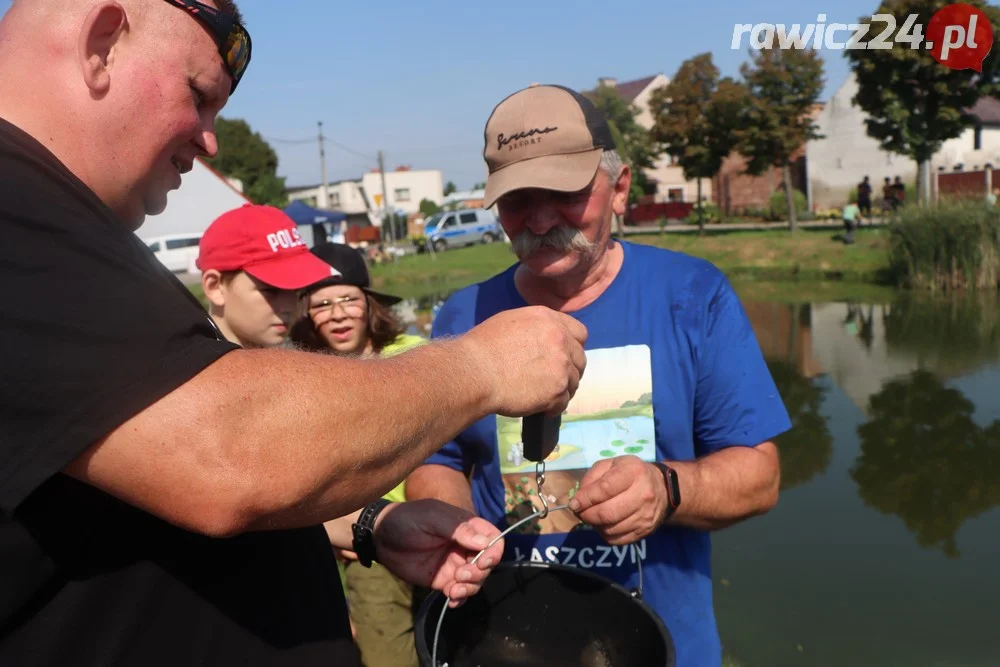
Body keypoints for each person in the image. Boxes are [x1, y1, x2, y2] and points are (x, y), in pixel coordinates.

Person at [0, 4, 589, 666]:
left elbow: (116, 488)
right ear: (102, 42)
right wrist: (484, 367)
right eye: (198, 97)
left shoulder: (63, 230)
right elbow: (227, 447)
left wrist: (365, 523)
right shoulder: (14, 205)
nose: (209, 140)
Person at [406, 83, 790, 667]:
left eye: (564, 192)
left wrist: (666, 488)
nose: (538, 218)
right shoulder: (464, 315)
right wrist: (457, 526)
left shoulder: (693, 295)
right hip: (504, 640)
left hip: (657, 642)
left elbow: (760, 476)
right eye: (516, 200)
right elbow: (437, 461)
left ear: (620, 188)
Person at [291, 242, 427, 667]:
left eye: (348, 299)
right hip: (370, 552)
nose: (337, 313)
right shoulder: (300, 377)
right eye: (322, 304)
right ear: (307, 315)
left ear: (369, 304)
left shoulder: (419, 354)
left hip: (441, 523)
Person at [198, 204, 343, 348]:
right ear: (215, 287)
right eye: (271, 291)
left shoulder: (293, 360)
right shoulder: (190, 366)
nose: (289, 306)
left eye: (296, 291)